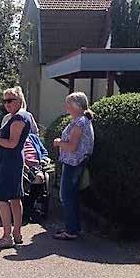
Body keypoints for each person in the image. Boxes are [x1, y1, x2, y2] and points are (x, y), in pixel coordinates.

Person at [0, 86, 32, 248]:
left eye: (10, 100)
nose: (7, 104)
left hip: (9, 162)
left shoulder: (19, 118)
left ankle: (7, 236)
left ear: (19, 100)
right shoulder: (18, 116)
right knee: (14, 197)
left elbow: (12, 144)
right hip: (9, 160)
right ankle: (16, 234)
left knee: (1, 197)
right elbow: (11, 138)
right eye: (5, 101)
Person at [52, 92, 94, 240]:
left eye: (69, 104)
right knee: (72, 195)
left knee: (66, 195)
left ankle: (71, 230)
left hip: (73, 162)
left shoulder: (79, 122)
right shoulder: (82, 120)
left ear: (77, 106)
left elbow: (72, 146)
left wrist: (58, 143)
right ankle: (74, 227)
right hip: (77, 162)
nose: (67, 107)